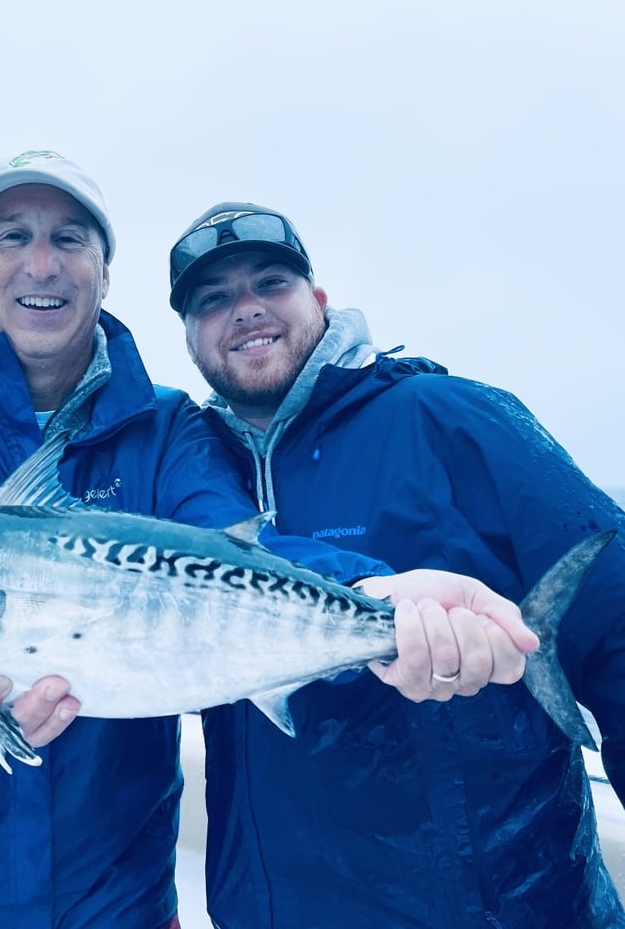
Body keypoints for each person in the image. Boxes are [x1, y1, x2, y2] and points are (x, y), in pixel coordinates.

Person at [0, 159, 534, 929]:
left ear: (103, 273)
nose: (40, 262)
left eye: (67, 237)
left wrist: (374, 597)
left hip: (119, 903)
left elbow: (232, 548)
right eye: (12, 237)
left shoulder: (172, 431)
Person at [164, 202, 625, 928]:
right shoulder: (187, 470)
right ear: (190, 337)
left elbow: (617, 622)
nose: (244, 310)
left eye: (270, 283)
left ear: (317, 300)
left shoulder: (448, 417)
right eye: (213, 299)